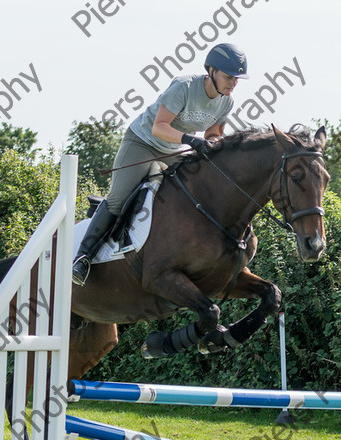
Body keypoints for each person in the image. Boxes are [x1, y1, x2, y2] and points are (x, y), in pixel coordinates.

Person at [72, 43, 249, 286]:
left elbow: (213, 132)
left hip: (172, 149)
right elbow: (159, 127)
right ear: (211, 71)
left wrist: (216, 144)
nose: (233, 83)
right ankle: (82, 257)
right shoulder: (184, 87)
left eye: (237, 79)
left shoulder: (226, 102)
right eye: (229, 77)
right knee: (118, 198)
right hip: (142, 142)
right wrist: (189, 139)